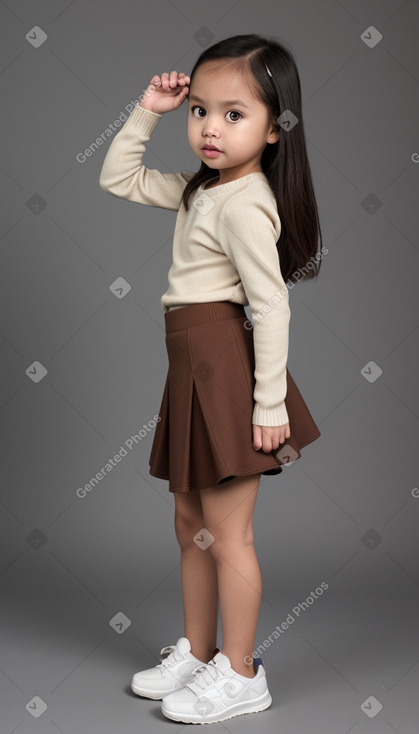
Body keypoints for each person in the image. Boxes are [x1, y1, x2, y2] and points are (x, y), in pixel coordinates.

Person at [99, 33, 323, 725]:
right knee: (189, 523)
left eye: (233, 113)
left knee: (229, 535)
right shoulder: (205, 190)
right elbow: (118, 177)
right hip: (191, 366)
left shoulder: (246, 201)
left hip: (226, 368)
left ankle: (242, 671)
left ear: (275, 129)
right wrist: (148, 110)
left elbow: (270, 305)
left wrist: (266, 406)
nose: (208, 127)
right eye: (198, 109)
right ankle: (198, 655)